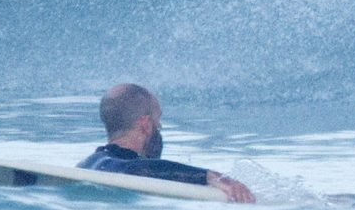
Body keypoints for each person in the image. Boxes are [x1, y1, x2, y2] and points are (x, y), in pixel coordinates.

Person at [78, 82, 256, 202]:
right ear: (146, 125)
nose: (160, 127)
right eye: (158, 121)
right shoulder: (106, 164)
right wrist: (206, 176)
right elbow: (132, 170)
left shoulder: (87, 164)